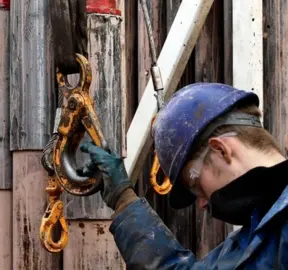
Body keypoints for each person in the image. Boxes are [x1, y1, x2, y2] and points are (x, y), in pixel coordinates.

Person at [80, 83, 288, 269]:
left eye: (195, 184)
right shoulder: (251, 239)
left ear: (221, 150)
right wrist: (123, 197)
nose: (202, 204)